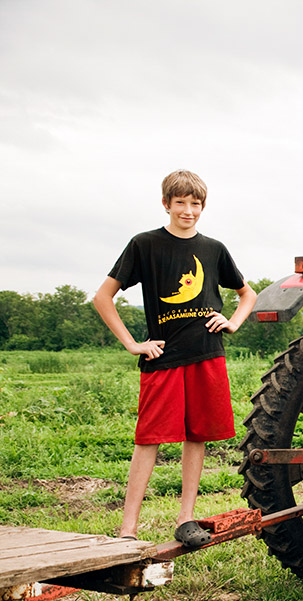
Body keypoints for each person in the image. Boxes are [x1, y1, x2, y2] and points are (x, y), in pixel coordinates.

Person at [93, 170, 257, 546]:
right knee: (148, 439)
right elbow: (103, 296)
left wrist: (232, 321)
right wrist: (134, 344)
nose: (188, 210)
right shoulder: (145, 244)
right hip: (163, 355)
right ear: (166, 204)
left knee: (197, 436)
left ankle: (186, 520)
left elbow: (247, 294)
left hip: (206, 353)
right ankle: (127, 530)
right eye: (180, 202)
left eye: (195, 203)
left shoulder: (214, 249)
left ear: (203, 206)